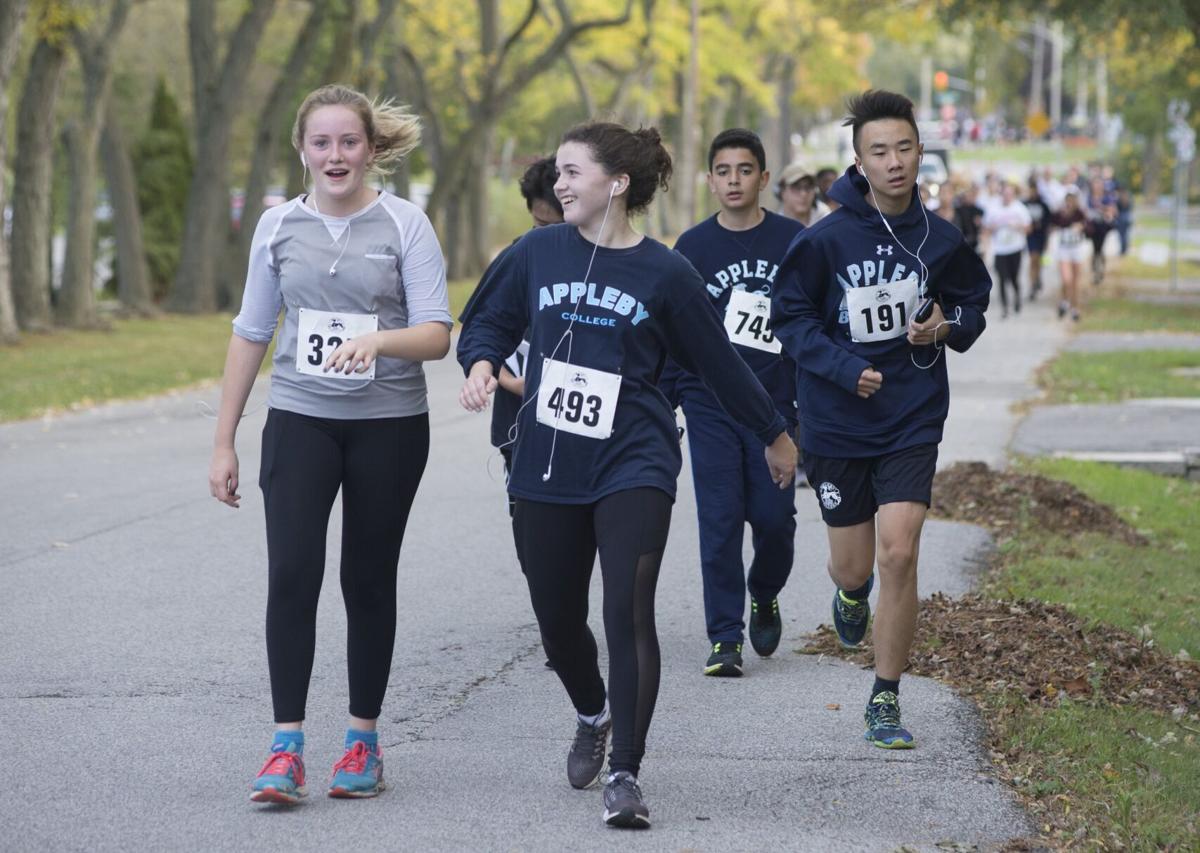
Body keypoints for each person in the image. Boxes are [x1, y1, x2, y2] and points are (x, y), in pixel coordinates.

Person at [457, 121, 797, 828]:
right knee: (557, 620)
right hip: (546, 460)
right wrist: (484, 364)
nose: (560, 184)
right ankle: (592, 710)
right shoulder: (536, 252)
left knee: (627, 608)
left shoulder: (667, 272)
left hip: (634, 459)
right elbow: (486, 320)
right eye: (559, 172)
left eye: (573, 172)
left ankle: (626, 772)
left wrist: (773, 431)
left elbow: (718, 361)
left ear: (615, 184)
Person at [207, 83, 452, 805]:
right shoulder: (278, 225)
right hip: (300, 419)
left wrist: (379, 338)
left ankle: (362, 741)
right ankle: (285, 747)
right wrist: (223, 441)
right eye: (323, 142)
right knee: (292, 572)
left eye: (349, 141)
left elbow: (437, 333)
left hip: (389, 425)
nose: (336, 155)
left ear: (371, 149)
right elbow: (252, 332)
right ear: (303, 150)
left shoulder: (406, 223)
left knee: (367, 579)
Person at [772, 90, 990, 749]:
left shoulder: (942, 239)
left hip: (911, 416)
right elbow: (791, 318)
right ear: (859, 162)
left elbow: (973, 304)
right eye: (878, 151)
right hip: (837, 421)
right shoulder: (826, 240)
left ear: (921, 151)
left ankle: (886, 696)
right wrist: (841, 368)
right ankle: (848, 594)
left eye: (903, 148)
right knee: (854, 566)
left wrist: (946, 326)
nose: (893, 162)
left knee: (901, 549)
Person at [663, 129, 803, 677]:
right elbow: (673, 331)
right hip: (710, 404)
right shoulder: (692, 248)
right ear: (710, 180)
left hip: (775, 406)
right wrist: (668, 400)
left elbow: (810, 324)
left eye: (745, 170)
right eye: (723, 171)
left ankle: (764, 592)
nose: (734, 181)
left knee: (774, 521)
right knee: (719, 521)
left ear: (764, 178)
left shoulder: (794, 241)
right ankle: (724, 637)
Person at [460, 157, 564, 507]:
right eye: (539, 224)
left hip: (589, 430)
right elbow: (485, 326)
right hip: (519, 423)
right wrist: (498, 377)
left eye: (559, 226)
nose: (546, 236)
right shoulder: (521, 254)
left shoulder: (609, 258)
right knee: (537, 550)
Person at [983, 181, 1032, 317]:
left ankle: (1017, 297)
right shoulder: (993, 208)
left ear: (1014, 195)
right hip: (1000, 249)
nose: (1007, 197)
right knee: (1002, 278)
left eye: (1010, 194)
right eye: (1004, 194)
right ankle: (1005, 307)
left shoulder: (1019, 208)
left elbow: (1028, 228)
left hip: (1015, 248)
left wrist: (1018, 226)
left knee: (1013, 277)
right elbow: (986, 228)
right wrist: (992, 228)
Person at [1052, 187, 1088, 321]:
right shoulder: (1059, 213)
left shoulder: (1080, 213)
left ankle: (1075, 308)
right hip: (1063, 249)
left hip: (1076, 249)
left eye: (1073, 199)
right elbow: (1053, 224)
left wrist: (1081, 226)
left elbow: (1088, 226)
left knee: (1075, 282)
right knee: (1066, 279)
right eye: (1068, 199)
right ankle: (1064, 301)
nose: (1070, 202)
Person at [776, 161, 830, 227]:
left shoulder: (825, 219)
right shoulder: (775, 225)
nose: (803, 194)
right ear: (782, 192)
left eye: (808, 187)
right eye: (796, 187)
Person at [1024, 174, 1050, 299]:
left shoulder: (1043, 204)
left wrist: (1047, 238)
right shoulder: (1025, 204)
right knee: (1033, 258)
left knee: (1038, 259)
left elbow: (1048, 222)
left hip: (1041, 235)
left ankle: (1037, 277)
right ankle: (1032, 284)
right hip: (1031, 236)